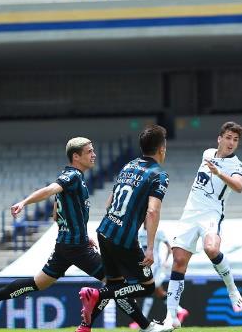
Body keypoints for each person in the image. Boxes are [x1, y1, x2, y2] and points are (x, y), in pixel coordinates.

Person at [0, 137, 150, 332]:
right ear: (76, 156)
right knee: (116, 283)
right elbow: (50, 190)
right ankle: (144, 326)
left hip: (66, 246)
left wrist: (79, 232)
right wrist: (24, 202)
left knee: (38, 283)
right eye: (89, 151)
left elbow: (56, 214)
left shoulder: (76, 178)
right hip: (76, 247)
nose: (94, 154)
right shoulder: (72, 176)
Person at [78, 125, 173, 332]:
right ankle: (96, 295)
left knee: (116, 286)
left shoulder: (129, 165)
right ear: (161, 149)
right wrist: (149, 248)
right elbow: (152, 212)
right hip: (125, 239)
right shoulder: (159, 175)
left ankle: (86, 326)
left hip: (104, 230)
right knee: (147, 286)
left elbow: (108, 203)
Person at [164, 122, 242, 329]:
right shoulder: (207, 153)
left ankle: (232, 289)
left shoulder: (236, 165)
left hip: (211, 214)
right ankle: (171, 315)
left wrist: (219, 173)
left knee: (211, 248)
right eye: (228, 137)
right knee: (179, 260)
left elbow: (239, 187)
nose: (231, 143)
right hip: (190, 214)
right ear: (219, 138)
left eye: (235, 140)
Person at [129, 227, 189, 329]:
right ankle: (180, 310)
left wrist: (166, 261)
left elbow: (170, 248)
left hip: (155, 265)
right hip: (145, 265)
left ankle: (141, 320)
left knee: (149, 288)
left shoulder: (158, 231)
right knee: (158, 291)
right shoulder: (139, 231)